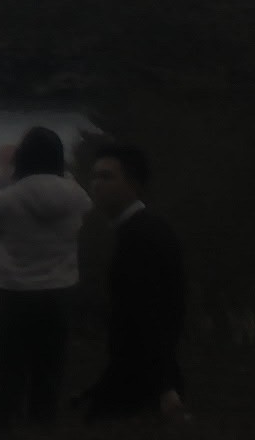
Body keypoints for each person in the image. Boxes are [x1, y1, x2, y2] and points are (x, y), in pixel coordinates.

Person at [0, 125, 91, 426]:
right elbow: (74, 189)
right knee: (49, 371)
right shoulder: (76, 196)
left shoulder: (10, 198)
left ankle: (6, 428)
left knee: (10, 372)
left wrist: (1, 171)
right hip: (60, 292)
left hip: (16, 294)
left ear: (22, 160)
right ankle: (43, 426)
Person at [78, 145, 185, 423]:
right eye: (95, 176)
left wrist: (164, 386)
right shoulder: (141, 230)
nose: (96, 184)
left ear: (134, 185)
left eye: (107, 177)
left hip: (139, 379)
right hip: (137, 372)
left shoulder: (140, 238)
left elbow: (151, 313)